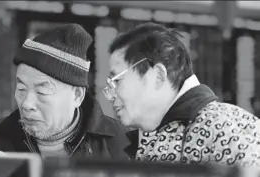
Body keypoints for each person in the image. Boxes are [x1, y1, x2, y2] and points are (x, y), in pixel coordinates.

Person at [0, 23, 130, 159]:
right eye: (21, 88)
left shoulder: (122, 144)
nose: (27, 104)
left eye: (42, 92)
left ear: (77, 95)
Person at [103, 22, 260, 166]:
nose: (109, 95)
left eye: (117, 81)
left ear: (157, 75)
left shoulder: (224, 131)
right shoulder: (160, 136)